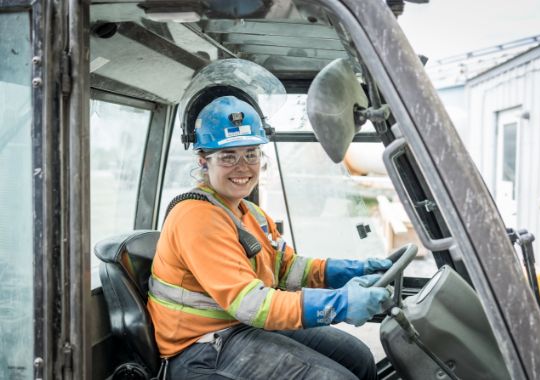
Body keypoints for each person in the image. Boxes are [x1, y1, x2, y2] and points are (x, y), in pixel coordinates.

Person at [147, 95, 393, 380]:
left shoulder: (249, 213)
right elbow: (252, 304)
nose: (243, 167)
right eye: (228, 156)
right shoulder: (196, 218)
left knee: (359, 358)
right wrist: (339, 304)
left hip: (239, 326)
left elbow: (288, 268)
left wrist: (352, 271)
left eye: (251, 153)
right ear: (204, 162)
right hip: (200, 347)